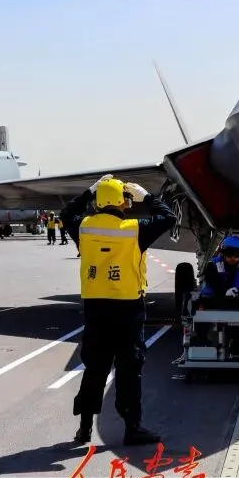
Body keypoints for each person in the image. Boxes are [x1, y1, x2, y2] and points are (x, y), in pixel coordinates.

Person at [60, 174, 177, 446]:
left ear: (98, 202)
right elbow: (168, 218)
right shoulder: (134, 229)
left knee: (94, 368)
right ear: (122, 202)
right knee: (129, 370)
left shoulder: (84, 228)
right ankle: (132, 428)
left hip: (96, 310)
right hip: (128, 311)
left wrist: (91, 190)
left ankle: (84, 428)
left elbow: (67, 213)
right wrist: (146, 197)